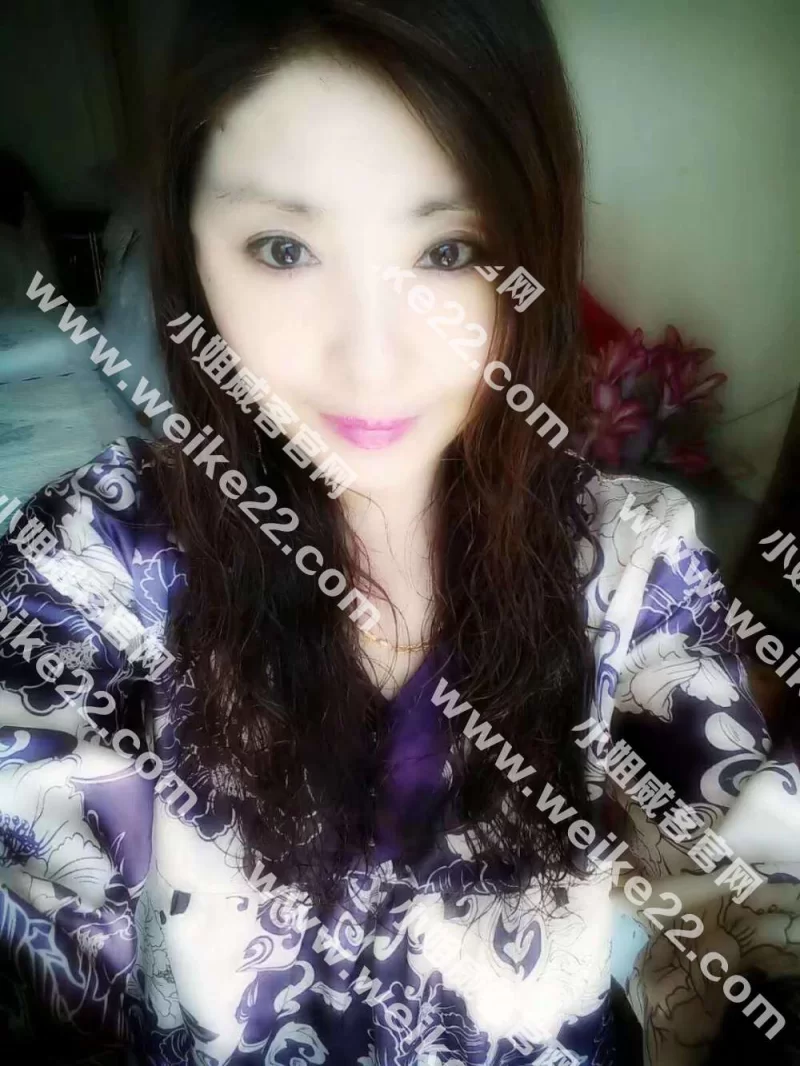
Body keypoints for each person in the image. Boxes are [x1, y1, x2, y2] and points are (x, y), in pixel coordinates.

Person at [1, 2, 799, 1063]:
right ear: (190, 248)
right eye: (283, 247)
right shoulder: (94, 562)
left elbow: (754, 883)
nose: (371, 360)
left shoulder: (626, 558)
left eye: (449, 249)